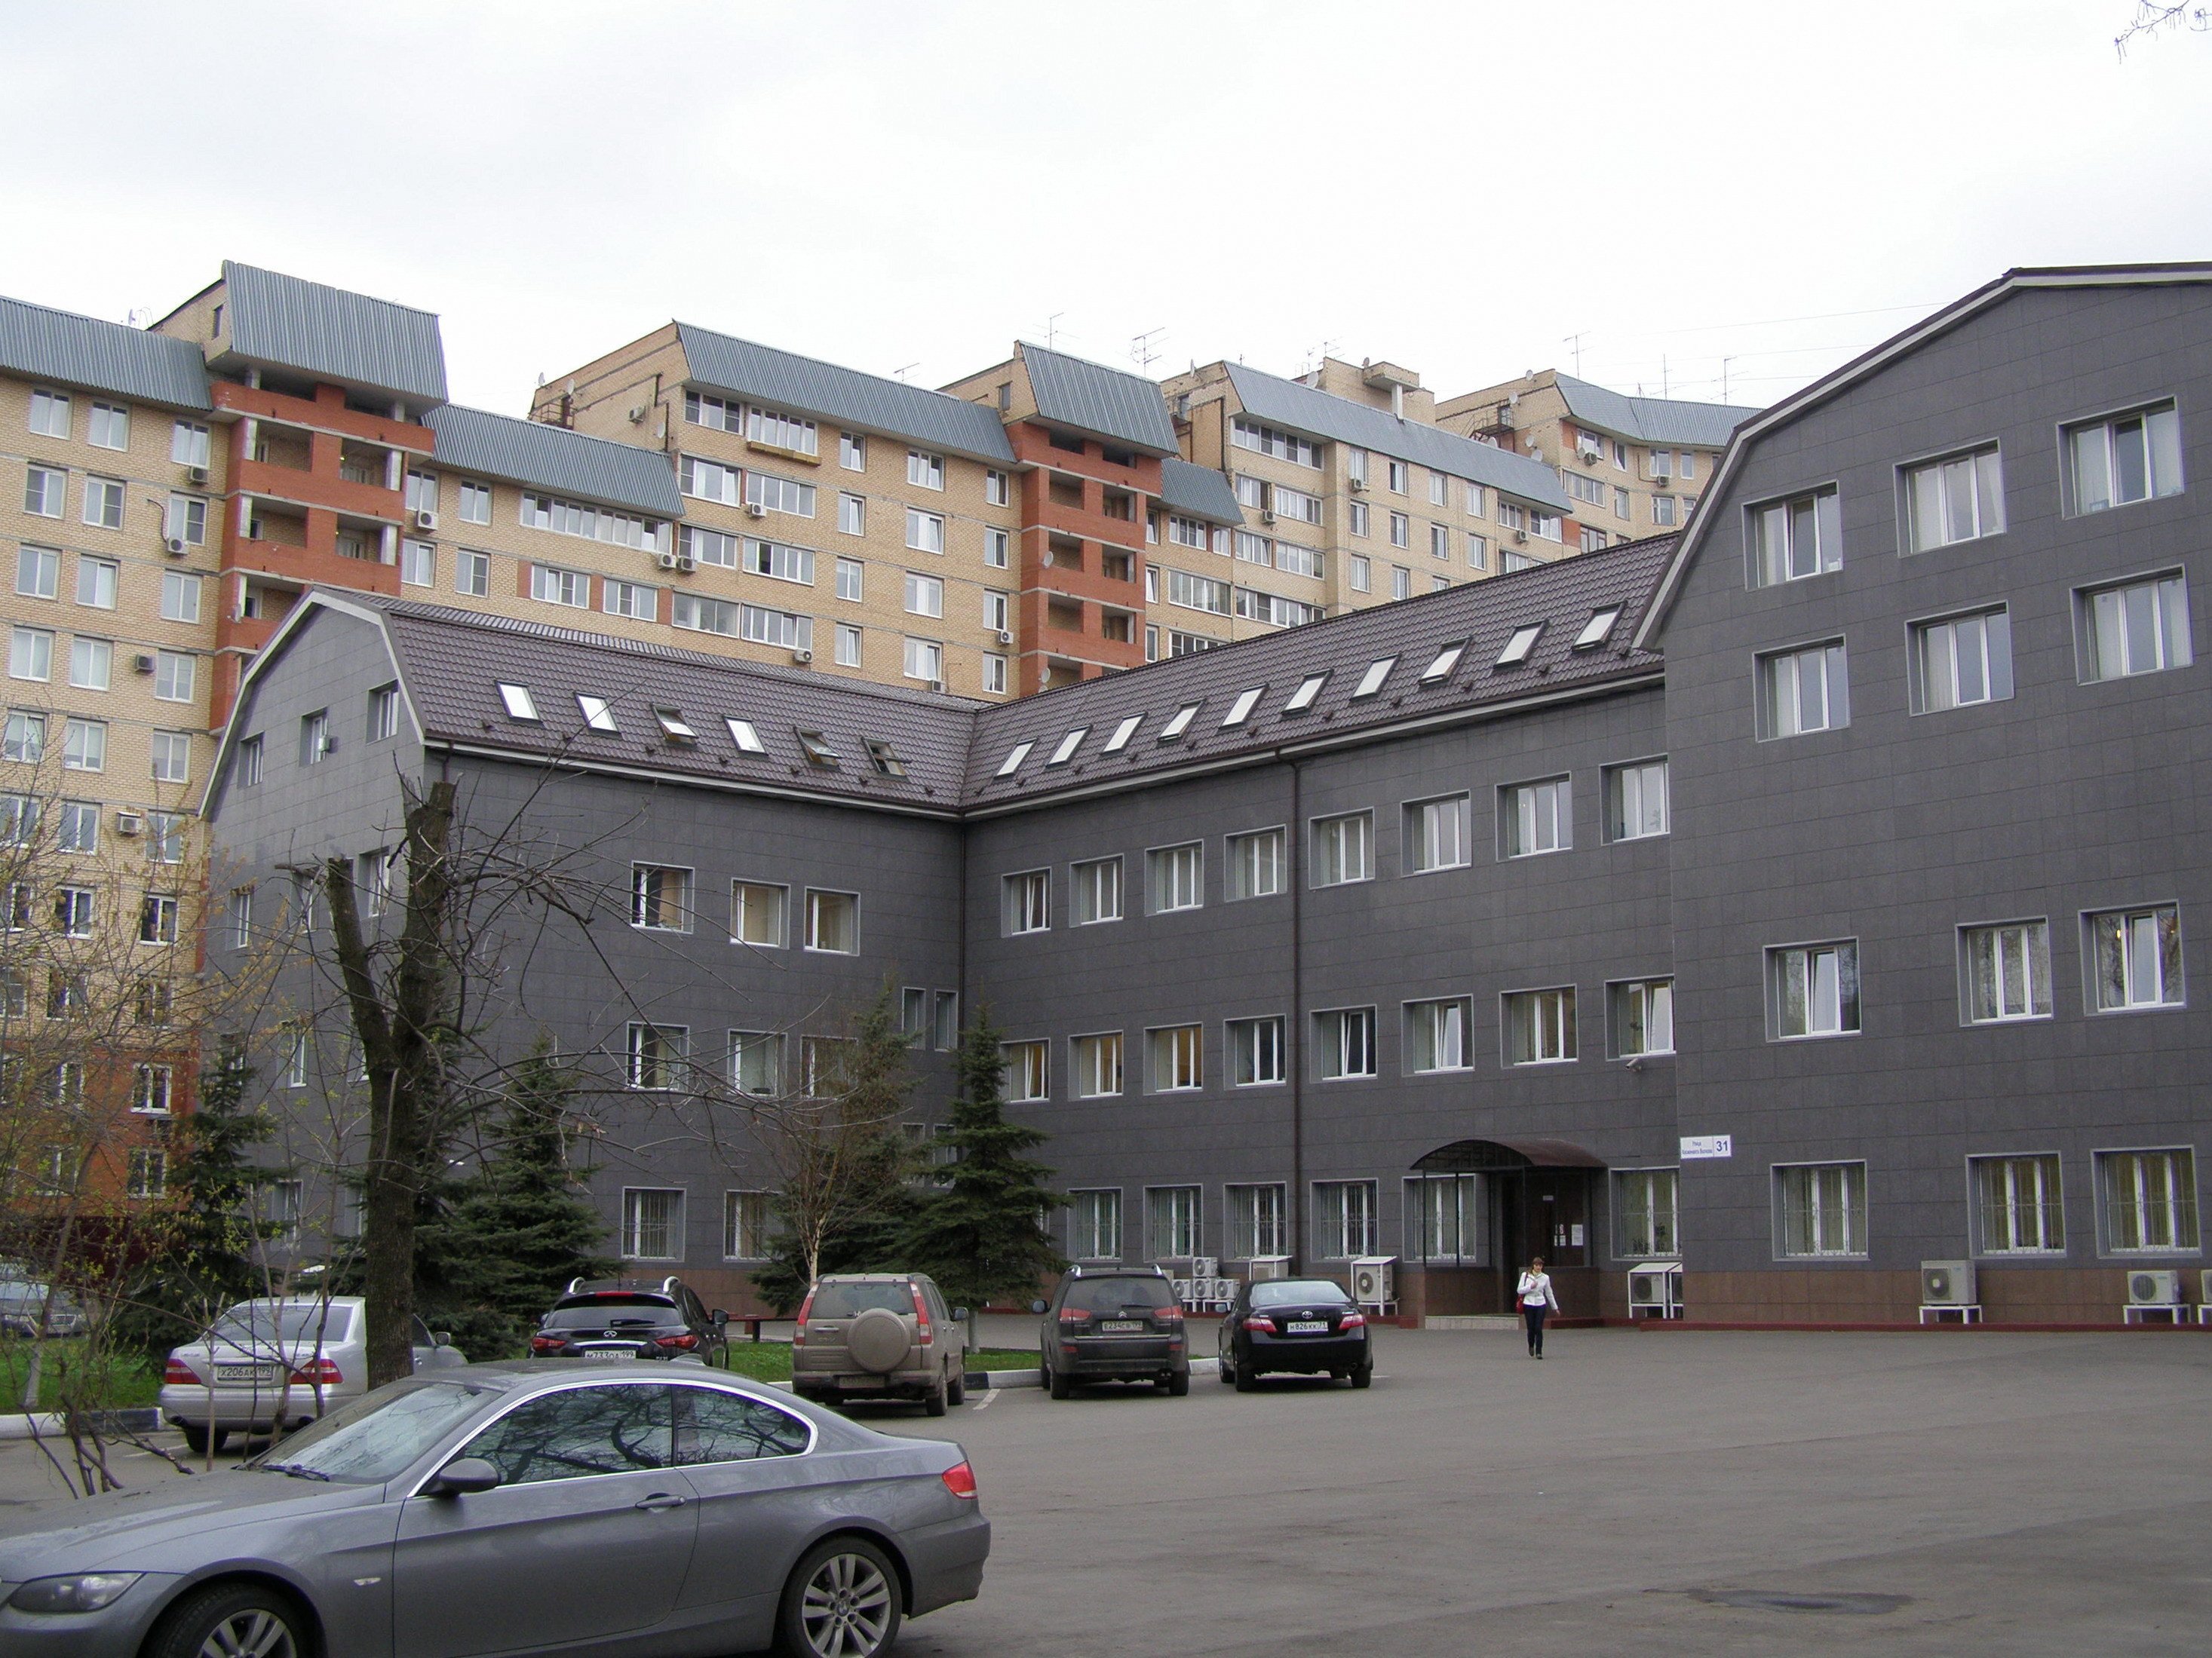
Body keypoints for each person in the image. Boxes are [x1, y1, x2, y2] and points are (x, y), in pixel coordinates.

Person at [1516, 1256, 1559, 1358]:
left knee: (1538, 1328)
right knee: (1531, 1328)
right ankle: (1531, 1345)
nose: (1538, 1267)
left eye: (1540, 1265)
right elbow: (1519, 1290)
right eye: (1536, 1265)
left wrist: (1555, 1307)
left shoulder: (1545, 1277)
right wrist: (1530, 1287)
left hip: (1540, 1304)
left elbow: (1549, 1293)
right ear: (1533, 1266)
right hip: (1528, 1303)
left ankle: (1539, 1351)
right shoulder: (1526, 1275)